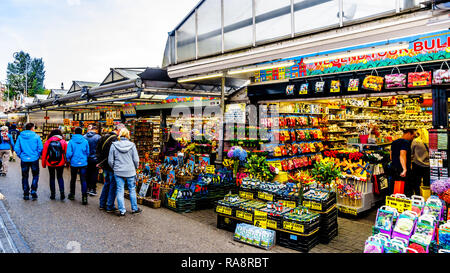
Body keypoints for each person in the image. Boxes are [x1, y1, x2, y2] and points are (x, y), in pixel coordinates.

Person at [108, 128, 142, 216]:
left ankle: (122, 210)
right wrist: (135, 168)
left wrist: (115, 168)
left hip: (118, 171)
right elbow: (136, 160)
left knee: (120, 190)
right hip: (130, 171)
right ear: (128, 135)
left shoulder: (114, 145)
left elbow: (110, 161)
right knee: (132, 189)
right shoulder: (132, 145)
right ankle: (134, 208)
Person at [97, 123, 125, 212]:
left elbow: (97, 150)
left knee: (107, 183)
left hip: (105, 165)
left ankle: (102, 203)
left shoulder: (103, 137)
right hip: (112, 166)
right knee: (113, 185)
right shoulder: (116, 139)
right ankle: (110, 205)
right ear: (119, 130)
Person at [14, 123, 43, 200]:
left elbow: (16, 148)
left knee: (24, 176)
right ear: (32, 128)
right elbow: (40, 148)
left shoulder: (20, 136)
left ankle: (26, 193)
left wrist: (21, 155)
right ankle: (33, 191)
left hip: (24, 159)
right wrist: (37, 155)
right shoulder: (36, 136)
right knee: (35, 175)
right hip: (34, 159)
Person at [42, 129, 68, 200]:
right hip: (61, 162)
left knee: (52, 178)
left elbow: (44, 154)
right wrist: (67, 163)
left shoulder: (47, 142)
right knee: (60, 177)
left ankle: (53, 194)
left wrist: (44, 164)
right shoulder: (63, 142)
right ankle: (62, 193)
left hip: (50, 163)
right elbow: (67, 153)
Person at [390, 128, 417, 196]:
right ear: (408, 133)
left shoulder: (394, 142)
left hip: (394, 168)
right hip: (402, 170)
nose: (412, 138)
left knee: (396, 189)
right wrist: (404, 169)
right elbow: (402, 155)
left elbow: (391, 156)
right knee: (406, 190)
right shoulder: (405, 142)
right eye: (413, 136)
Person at [66, 127, 90, 205]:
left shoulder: (71, 141)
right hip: (83, 163)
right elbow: (88, 152)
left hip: (74, 163)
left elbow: (69, 153)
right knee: (83, 180)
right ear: (82, 132)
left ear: (74, 132)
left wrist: (68, 160)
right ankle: (84, 197)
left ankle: (72, 194)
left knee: (73, 179)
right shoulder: (85, 141)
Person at [411, 128, 430, 196]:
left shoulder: (415, 141)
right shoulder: (429, 141)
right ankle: (426, 196)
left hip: (417, 164)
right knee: (427, 183)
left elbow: (411, 152)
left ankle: (417, 195)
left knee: (416, 182)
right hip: (428, 165)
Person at [84, 125, 101, 196]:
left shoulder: (84, 137)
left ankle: (87, 188)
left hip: (86, 158)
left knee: (87, 173)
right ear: (96, 130)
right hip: (95, 159)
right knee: (94, 174)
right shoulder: (98, 137)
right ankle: (92, 189)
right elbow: (100, 149)